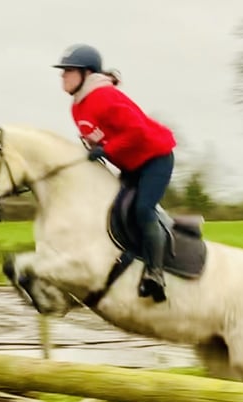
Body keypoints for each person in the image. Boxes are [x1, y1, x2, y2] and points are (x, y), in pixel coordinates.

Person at [53, 43, 176, 303]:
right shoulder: (77, 107)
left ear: (86, 73)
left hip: (156, 159)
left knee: (142, 210)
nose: (63, 75)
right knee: (113, 210)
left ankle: (156, 274)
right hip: (131, 165)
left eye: (68, 70)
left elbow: (138, 132)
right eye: (62, 71)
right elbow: (97, 141)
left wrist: (107, 149)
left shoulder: (104, 97)